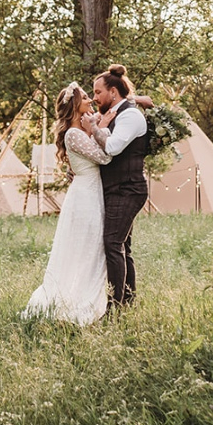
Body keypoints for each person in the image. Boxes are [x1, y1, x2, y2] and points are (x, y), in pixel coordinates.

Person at [23, 81, 114, 325]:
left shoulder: (80, 132)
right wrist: (98, 127)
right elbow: (105, 157)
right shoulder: (74, 134)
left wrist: (94, 127)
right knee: (86, 248)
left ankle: (90, 298)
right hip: (85, 196)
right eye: (85, 97)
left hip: (91, 192)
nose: (90, 100)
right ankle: (77, 301)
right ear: (75, 105)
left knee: (92, 248)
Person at [81, 64, 152, 311]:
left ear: (113, 92)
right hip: (116, 188)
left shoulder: (130, 116)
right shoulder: (117, 113)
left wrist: (94, 128)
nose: (94, 97)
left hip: (128, 188)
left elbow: (112, 148)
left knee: (112, 244)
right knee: (122, 246)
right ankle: (128, 302)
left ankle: (114, 307)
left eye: (98, 92)